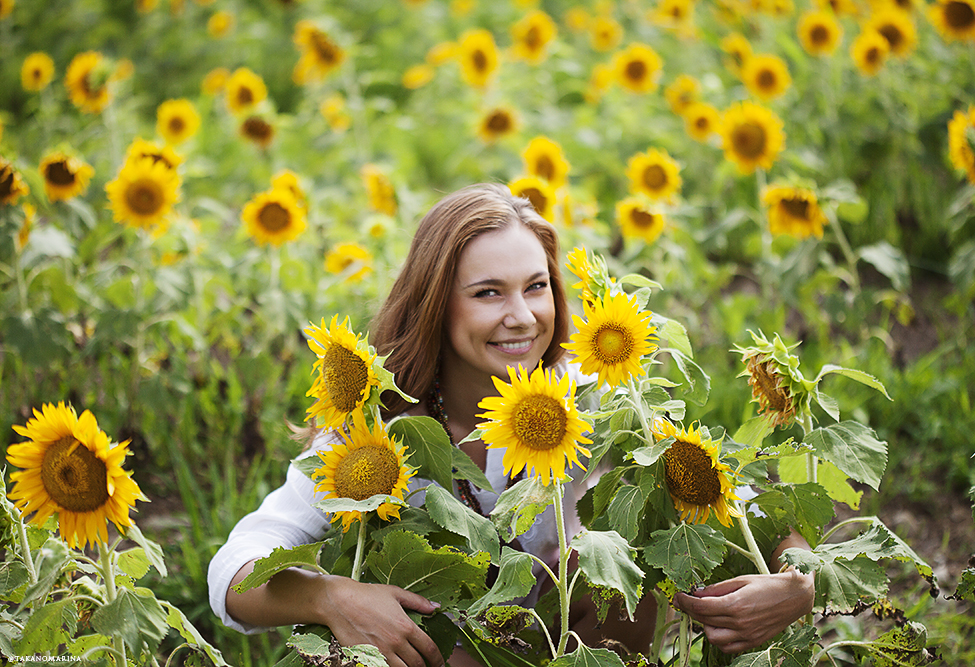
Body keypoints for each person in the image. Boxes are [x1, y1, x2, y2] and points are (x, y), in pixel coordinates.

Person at [207, 183, 815, 667]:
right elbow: (233, 568)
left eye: (536, 287)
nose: (521, 317)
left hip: (589, 654)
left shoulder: (597, 402)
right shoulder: (377, 436)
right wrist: (330, 595)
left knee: (597, 560)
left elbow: (750, 511)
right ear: (434, 302)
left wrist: (797, 581)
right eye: (488, 293)